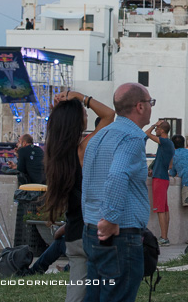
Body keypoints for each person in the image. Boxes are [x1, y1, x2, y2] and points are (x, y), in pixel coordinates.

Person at [82, 83, 155, 302]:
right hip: (119, 235)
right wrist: (111, 218)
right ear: (140, 107)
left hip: (92, 230)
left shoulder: (97, 137)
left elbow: (89, 180)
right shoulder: (132, 138)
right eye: (150, 103)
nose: (152, 107)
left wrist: (96, 218)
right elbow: (117, 175)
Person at [44, 89, 115, 302]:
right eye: (84, 113)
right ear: (77, 121)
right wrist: (79, 96)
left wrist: (58, 109)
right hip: (92, 230)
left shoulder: (53, 153)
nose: (87, 115)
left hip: (73, 233)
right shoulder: (83, 148)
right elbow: (109, 115)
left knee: (76, 294)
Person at [145, 119, 175, 246]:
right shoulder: (168, 145)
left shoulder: (165, 142)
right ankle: (165, 237)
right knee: (164, 209)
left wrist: (152, 126)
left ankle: (164, 237)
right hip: (163, 177)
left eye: (158, 128)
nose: (156, 130)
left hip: (160, 179)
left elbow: (146, 134)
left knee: (160, 209)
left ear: (162, 130)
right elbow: (170, 164)